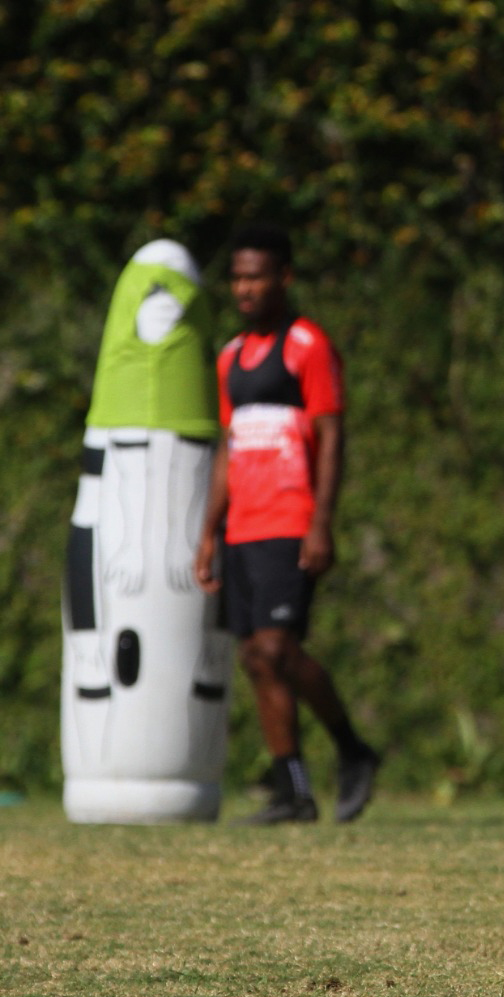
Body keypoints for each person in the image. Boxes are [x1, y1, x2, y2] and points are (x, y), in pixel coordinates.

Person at [193, 224, 380, 825]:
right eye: (237, 277)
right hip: (241, 527)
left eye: (256, 276)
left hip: (290, 519)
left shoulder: (306, 345)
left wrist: (321, 521)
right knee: (255, 656)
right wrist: (206, 531)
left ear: (284, 278)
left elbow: (331, 435)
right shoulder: (228, 356)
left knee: (277, 647)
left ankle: (353, 751)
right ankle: (292, 790)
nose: (245, 288)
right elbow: (229, 447)